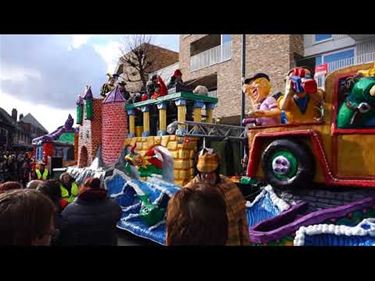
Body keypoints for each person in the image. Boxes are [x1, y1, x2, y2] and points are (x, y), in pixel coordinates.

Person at [184, 148, 250, 246]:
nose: (207, 176)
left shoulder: (228, 184)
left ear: (217, 169)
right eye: (203, 172)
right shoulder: (190, 192)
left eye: (211, 171)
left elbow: (241, 218)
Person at [59, 177, 122, 245]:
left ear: (83, 188)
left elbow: (64, 231)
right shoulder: (113, 206)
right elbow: (118, 216)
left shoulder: (70, 210)